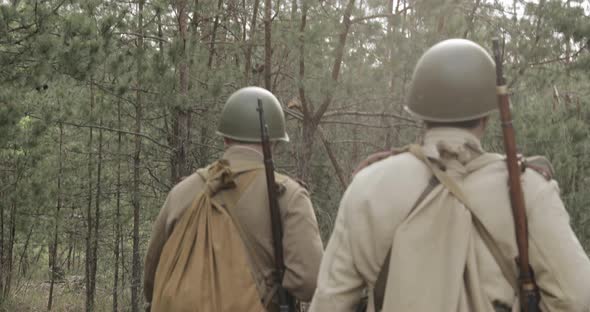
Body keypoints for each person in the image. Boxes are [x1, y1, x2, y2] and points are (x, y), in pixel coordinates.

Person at [309, 39, 590, 312]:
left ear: (421, 113)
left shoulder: (368, 186)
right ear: (487, 116)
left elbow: (331, 301)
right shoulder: (529, 188)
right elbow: (577, 299)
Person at [144, 86, 324, 311]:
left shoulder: (182, 192)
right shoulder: (288, 196)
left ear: (226, 137)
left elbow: (152, 279)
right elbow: (309, 282)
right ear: (274, 142)